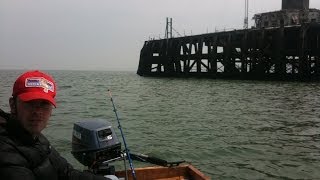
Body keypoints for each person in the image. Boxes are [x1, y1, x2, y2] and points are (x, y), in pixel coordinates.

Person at [0, 70, 117, 180]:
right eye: (30, 103)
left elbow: (66, 172)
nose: (37, 112)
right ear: (13, 105)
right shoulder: (6, 150)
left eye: (44, 104)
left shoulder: (37, 139)